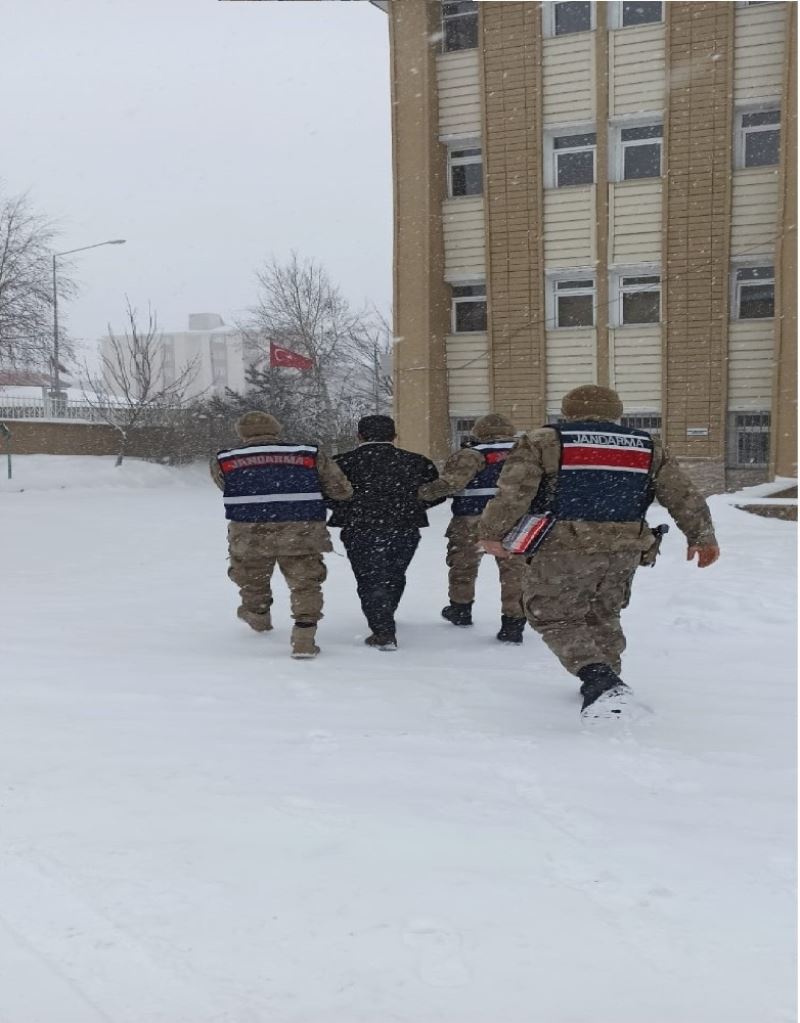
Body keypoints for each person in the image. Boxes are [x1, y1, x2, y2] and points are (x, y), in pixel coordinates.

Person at [477, 385, 720, 721]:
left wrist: (492, 532)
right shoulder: (648, 445)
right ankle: (608, 680)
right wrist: (701, 535)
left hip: (564, 546)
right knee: (603, 612)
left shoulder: (544, 440)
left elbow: (514, 493)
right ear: (616, 411)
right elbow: (682, 494)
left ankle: (600, 680)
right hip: (626, 548)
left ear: (567, 410)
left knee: (552, 613)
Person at [211, 411, 352, 660]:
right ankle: (304, 638)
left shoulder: (224, 459)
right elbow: (341, 490)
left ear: (241, 434)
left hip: (249, 532)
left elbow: (226, 485)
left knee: (251, 578)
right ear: (276, 429)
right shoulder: (308, 454)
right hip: (301, 530)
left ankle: (258, 616)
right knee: (305, 583)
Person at [328, 414, 440, 650]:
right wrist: (414, 506)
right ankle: (385, 611)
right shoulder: (417, 462)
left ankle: (383, 629)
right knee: (394, 572)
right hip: (404, 527)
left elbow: (328, 493)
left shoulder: (341, 463)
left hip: (359, 528)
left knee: (369, 577)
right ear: (394, 436)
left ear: (359, 436)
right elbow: (437, 492)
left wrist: (347, 508)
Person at [418, 412, 527, 644]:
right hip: (515, 519)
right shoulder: (526, 452)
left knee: (463, 565)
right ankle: (513, 623)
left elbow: (451, 484)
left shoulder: (471, 454)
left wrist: (420, 493)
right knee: (514, 571)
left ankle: (460, 609)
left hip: (471, 518)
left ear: (479, 432)